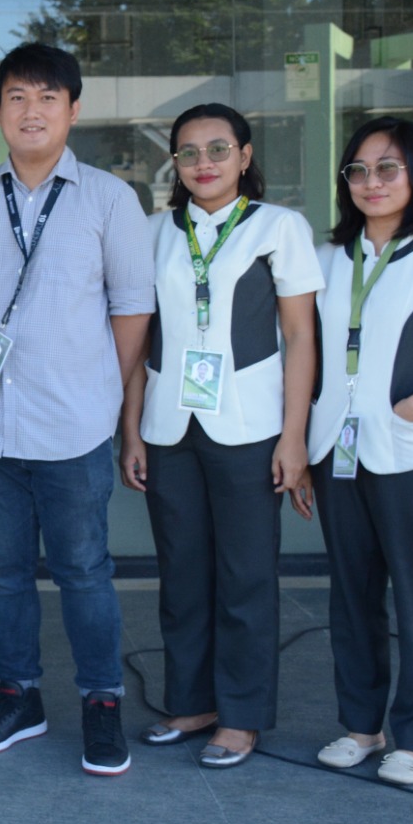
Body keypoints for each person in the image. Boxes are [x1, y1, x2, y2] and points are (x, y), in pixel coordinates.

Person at [0, 43, 153, 776]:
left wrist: (101, 388)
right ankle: (18, 695)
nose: (32, 112)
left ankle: (101, 702)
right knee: (2, 578)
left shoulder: (109, 198)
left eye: (47, 98)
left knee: (84, 571)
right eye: (17, 98)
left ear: (73, 110)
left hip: (76, 426)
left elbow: (131, 308)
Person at [118, 104, 321, 769]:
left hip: (251, 426)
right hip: (169, 425)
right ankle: (192, 701)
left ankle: (240, 715)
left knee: (245, 575)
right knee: (181, 573)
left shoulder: (278, 227)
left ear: (244, 154)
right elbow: (140, 337)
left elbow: (299, 337)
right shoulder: (153, 231)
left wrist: (294, 438)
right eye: (188, 153)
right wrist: (132, 431)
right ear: (173, 164)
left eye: (216, 149)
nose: (203, 164)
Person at [305, 116, 413, 786]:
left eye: (387, 168)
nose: (371, 182)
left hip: (412, 453)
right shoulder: (324, 259)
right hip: (335, 450)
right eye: (358, 170)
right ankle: (361, 727)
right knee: (351, 596)